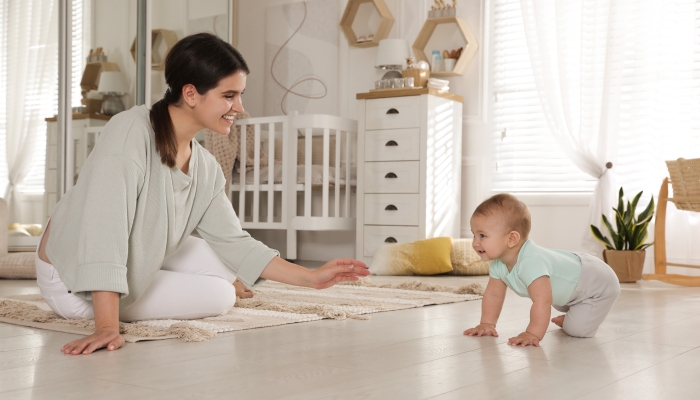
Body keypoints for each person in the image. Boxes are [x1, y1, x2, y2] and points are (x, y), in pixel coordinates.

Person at [36, 32, 368, 356]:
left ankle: (176, 279)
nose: (239, 106)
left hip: (136, 241)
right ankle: (120, 297)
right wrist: (107, 325)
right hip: (69, 274)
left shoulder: (204, 166)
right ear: (191, 93)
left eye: (240, 95)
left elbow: (234, 242)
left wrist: (312, 278)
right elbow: (102, 229)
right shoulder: (128, 133)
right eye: (229, 95)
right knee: (220, 295)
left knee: (226, 264)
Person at [463, 193, 620, 346]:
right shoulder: (498, 264)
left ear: (512, 239)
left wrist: (532, 333)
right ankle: (576, 313)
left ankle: (573, 319)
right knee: (556, 298)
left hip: (597, 282)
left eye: (482, 236)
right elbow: (493, 295)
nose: (475, 243)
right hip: (571, 285)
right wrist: (487, 324)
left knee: (578, 330)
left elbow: (542, 301)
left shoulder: (532, 262)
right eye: (474, 235)